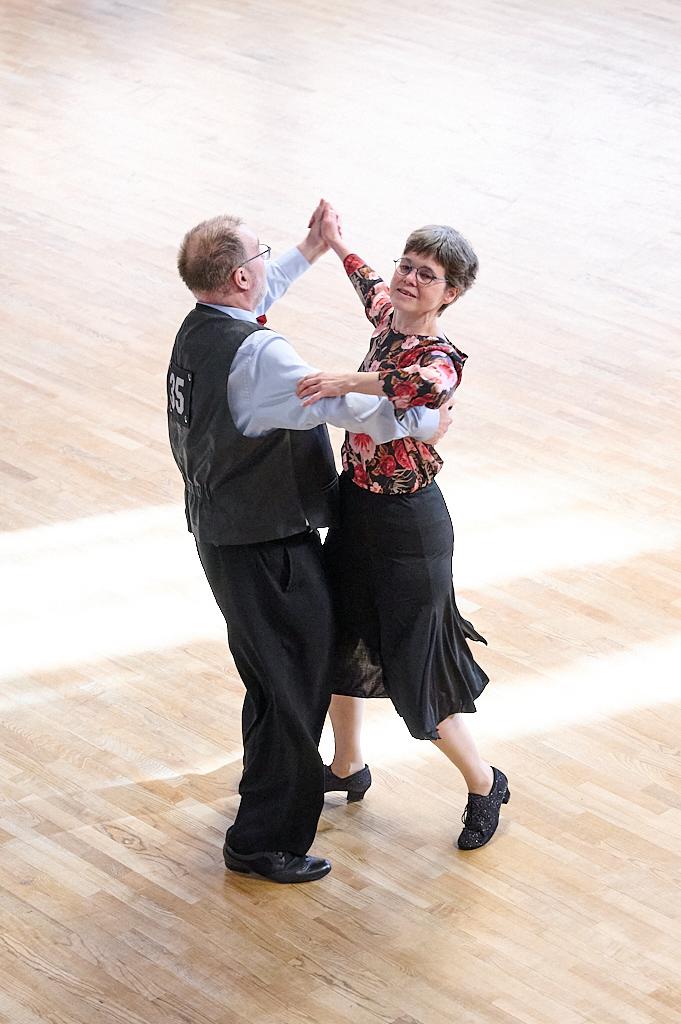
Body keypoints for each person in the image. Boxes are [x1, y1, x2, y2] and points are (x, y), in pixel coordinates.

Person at [167, 201, 449, 882]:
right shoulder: (261, 355)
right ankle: (264, 840)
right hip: (266, 545)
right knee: (296, 684)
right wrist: (420, 423)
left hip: (225, 535)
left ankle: (268, 798)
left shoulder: (201, 328)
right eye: (261, 258)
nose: (267, 266)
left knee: (273, 681)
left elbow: (258, 299)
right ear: (239, 279)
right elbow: (344, 406)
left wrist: (308, 249)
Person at [296, 211, 510, 850]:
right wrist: (336, 245)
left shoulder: (441, 359)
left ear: (452, 294)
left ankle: (484, 782)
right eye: (407, 266)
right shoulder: (390, 314)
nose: (411, 280)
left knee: (415, 665)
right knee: (339, 639)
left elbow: (415, 385)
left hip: (409, 528)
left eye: (429, 275)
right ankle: (347, 765)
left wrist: (343, 381)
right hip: (357, 511)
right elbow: (369, 283)